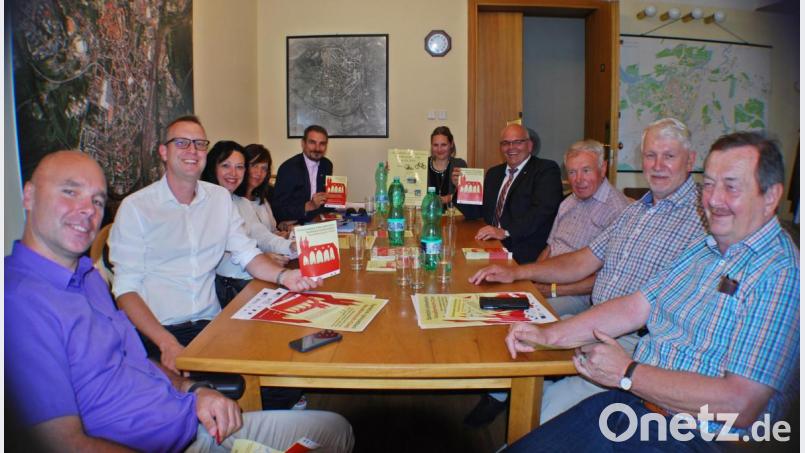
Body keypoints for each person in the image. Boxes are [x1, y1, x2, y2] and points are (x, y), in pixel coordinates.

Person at [5, 150, 354, 452]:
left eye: (97, 200)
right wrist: (170, 344)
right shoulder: (18, 303)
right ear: (29, 196)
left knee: (335, 429)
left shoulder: (88, 278)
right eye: (70, 192)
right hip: (172, 438)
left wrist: (193, 389)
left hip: (190, 414)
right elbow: (58, 445)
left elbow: (135, 360)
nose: (87, 210)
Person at [503, 131, 799, 451]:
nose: (713, 199)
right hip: (637, 403)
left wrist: (627, 372)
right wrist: (548, 335)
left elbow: (741, 405)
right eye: (710, 184)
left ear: (771, 196)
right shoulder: (706, 247)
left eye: (731, 186)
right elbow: (635, 306)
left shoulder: (779, 271)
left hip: (690, 435)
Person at [468, 118, 707, 426]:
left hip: (635, 343)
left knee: (540, 415)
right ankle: (504, 398)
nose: (657, 165)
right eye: (650, 155)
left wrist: (550, 295)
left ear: (690, 160)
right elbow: (583, 260)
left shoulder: (704, 218)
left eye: (669, 156)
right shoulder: (636, 212)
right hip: (597, 324)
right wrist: (517, 273)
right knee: (517, 336)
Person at [109, 115, 321, 374]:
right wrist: (166, 343)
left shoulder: (220, 199)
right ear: (163, 152)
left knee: (284, 364)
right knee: (251, 382)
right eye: (182, 143)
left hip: (212, 323)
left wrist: (286, 276)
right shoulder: (136, 208)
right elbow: (125, 291)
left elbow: (247, 253)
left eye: (199, 144)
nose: (192, 151)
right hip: (159, 330)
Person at [538, 139, 630, 317]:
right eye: (572, 172)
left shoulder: (618, 211)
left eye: (586, 170)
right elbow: (550, 247)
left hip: (578, 296)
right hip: (549, 283)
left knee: (531, 317)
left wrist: (553, 290)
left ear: (602, 169)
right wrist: (534, 277)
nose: (578, 180)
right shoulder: (568, 202)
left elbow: (607, 278)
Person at [200, 140, 296, 306]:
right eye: (226, 165)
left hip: (245, 279)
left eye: (239, 167)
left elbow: (263, 236)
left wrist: (292, 246)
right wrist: (261, 260)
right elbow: (215, 259)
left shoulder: (239, 201)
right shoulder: (201, 203)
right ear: (212, 167)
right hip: (221, 289)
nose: (233, 173)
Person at [458, 123, 563, 264]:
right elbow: (475, 212)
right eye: (506, 143)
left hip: (523, 249)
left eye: (517, 142)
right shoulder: (493, 173)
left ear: (530, 145)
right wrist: (461, 186)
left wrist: (505, 232)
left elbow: (542, 211)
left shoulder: (545, 170)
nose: (511, 147)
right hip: (490, 244)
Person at [272, 125, 333, 225]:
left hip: (318, 222)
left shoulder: (327, 165)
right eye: (312, 142)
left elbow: (324, 202)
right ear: (303, 143)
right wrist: (308, 206)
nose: (317, 148)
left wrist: (336, 199)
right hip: (294, 224)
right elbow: (278, 210)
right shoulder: (288, 168)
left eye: (322, 144)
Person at [244, 143, 293, 237]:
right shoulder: (233, 201)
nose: (259, 172)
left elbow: (272, 231)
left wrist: (283, 232)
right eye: (254, 165)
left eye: (264, 168)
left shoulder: (261, 199)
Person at [427, 126, 467, 206]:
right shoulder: (422, 165)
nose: (439, 149)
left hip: (453, 215)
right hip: (427, 215)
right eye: (435, 145)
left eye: (443, 145)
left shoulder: (459, 165)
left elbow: (466, 196)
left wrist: (448, 198)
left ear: (451, 144)